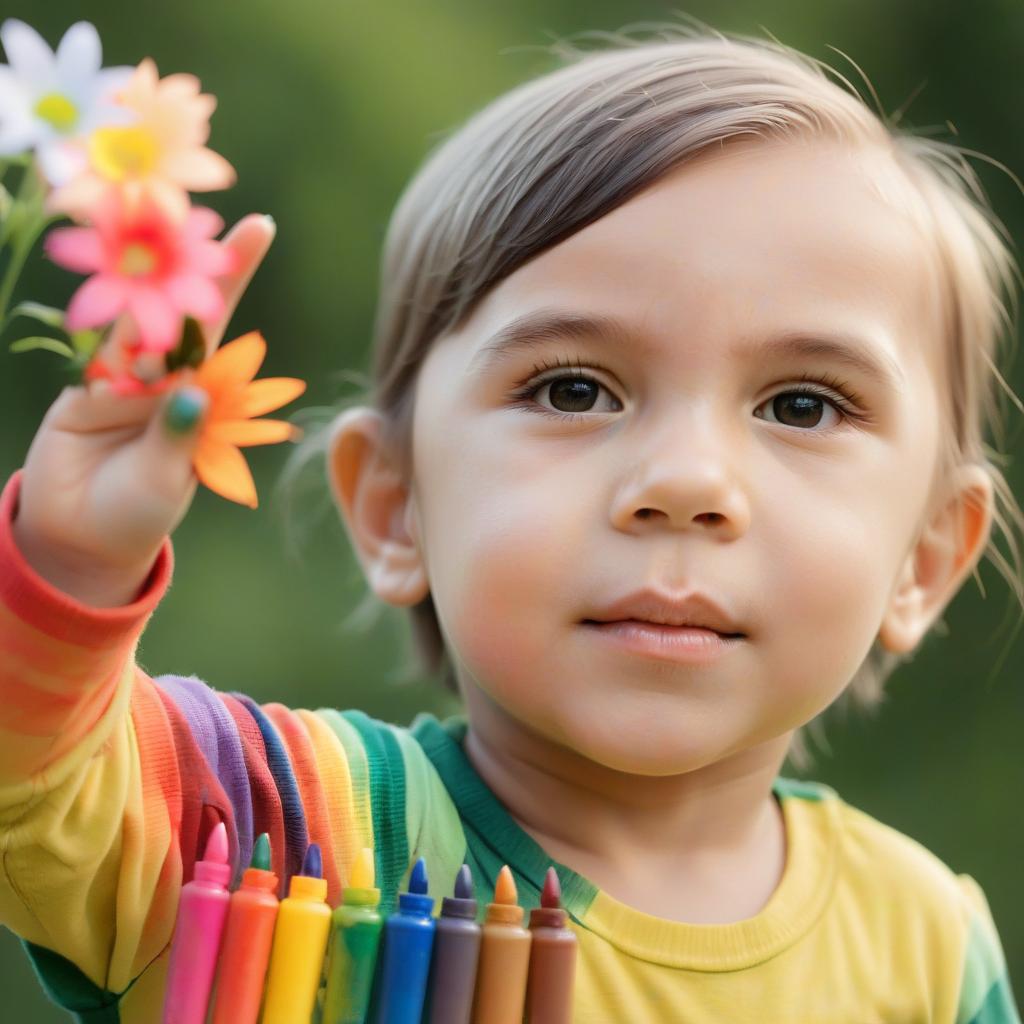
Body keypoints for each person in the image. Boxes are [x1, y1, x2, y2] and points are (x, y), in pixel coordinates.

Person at [1, 22, 1021, 1022]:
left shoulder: (925, 948)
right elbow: (36, 780)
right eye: (574, 389)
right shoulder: (274, 828)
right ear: (393, 504)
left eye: (802, 404)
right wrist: (68, 569)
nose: (684, 481)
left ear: (924, 559)